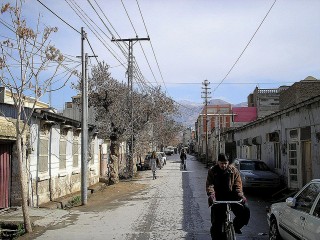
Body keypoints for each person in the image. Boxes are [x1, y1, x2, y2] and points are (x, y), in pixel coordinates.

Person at [206, 153, 250, 239]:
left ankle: (235, 227)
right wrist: (211, 195)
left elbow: (238, 184)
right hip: (218, 199)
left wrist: (240, 195)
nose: (224, 165)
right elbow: (209, 185)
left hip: (233, 197)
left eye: (225, 163)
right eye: (222, 163)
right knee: (217, 225)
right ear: (218, 162)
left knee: (245, 210)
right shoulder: (212, 171)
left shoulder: (233, 170)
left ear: (228, 162)